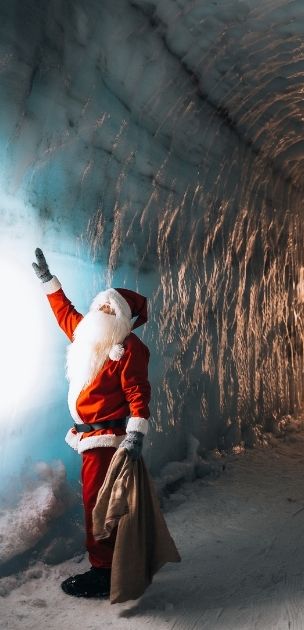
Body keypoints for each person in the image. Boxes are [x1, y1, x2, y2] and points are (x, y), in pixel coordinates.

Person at [31, 248, 151, 599]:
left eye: (110, 309)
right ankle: (116, 562)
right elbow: (65, 313)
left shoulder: (129, 349)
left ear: (122, 319)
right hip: (89, 438)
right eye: (101, 305)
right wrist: (48, 281)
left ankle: (104, 571)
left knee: (98, 504)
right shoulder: (89, 337)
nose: (101, 311)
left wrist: (135, 435)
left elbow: (137, 392)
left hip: (107, 440)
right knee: (100, 503)